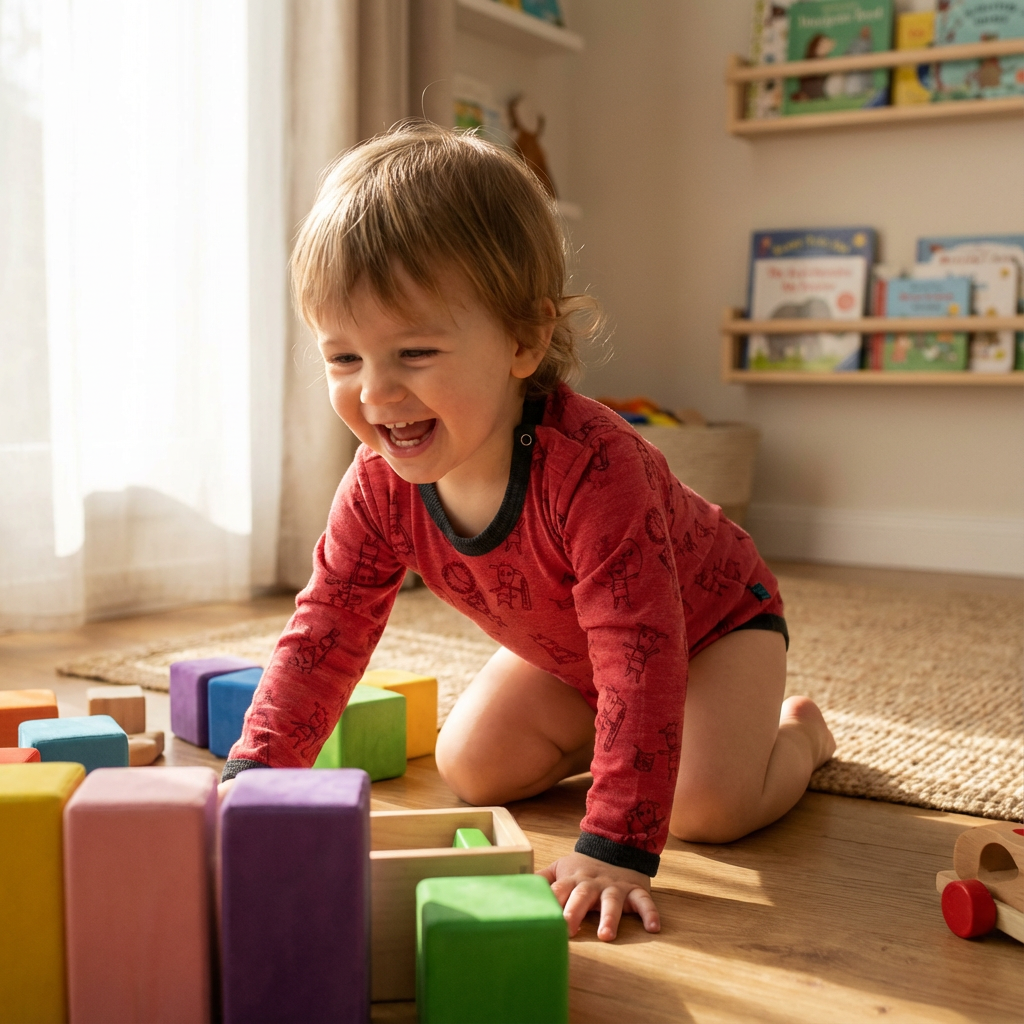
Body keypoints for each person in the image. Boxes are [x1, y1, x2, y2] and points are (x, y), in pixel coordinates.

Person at [220, 122, 835, 942]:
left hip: (712, 631)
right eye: (344, 360)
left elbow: (643, 654)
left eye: (413, 352)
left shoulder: (593, 472)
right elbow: (324, 631)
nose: (376, 393)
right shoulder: (376, 487)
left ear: (524, 338)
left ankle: (800, 734)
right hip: (577, 649)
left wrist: (614, 842)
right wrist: (256, 776)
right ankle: (627, 733)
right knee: (471, 767)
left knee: (705, 808)